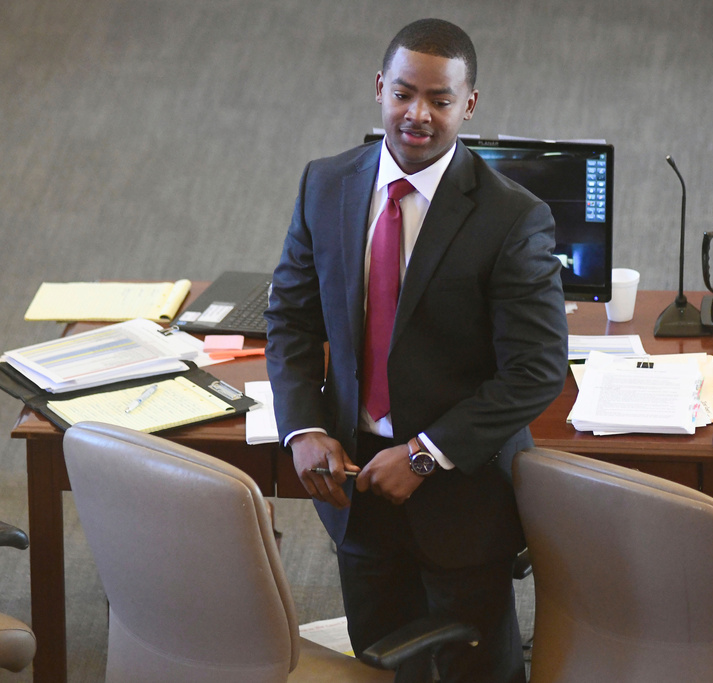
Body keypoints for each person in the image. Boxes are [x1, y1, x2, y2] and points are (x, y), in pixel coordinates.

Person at [264, 17, 569, 683]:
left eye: (439, 99)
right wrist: (304, 426)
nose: (418, 115)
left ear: (469, 105)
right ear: (379, 88)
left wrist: (425, 454)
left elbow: (538, 368)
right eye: (404, 94)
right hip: (355, 489)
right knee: (379, 663)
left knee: (474, 670)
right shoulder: (326, 184)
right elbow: (289, 315)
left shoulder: (511, 216)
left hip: (462, 498)